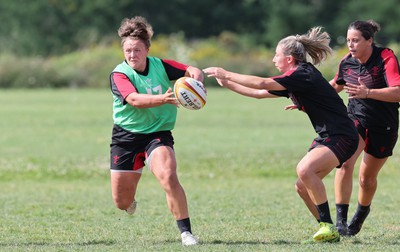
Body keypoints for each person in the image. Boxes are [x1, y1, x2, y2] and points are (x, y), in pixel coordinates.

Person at [203, 27, 359, 243]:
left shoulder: (302, 73)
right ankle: (329, 229)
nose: (273, 58)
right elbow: (259, 93)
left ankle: (326, 226)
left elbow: (262, 83)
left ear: (288, 58)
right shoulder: (295, 77)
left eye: (276, 54)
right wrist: (228, 83)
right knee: (302, 186)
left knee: (305, 169)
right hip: (329, 135)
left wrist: (226, 72)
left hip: (343, 135)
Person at [296, 20, 400, 237]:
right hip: (354, 120)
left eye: (356, 40)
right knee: (344, 163)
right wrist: (307, 101)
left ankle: (360, 216)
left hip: (384, 124)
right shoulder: (347, 62)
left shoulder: (385, 57)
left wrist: (368, 93)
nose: (350, 45)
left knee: (367, 179)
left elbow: (397, 91)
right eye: (348, 40)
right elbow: (334, 86)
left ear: (369, 40)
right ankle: (341, 222)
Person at [109, 16, 203, 246]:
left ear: (147, 49)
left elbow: (192, 70)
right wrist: (163, 99)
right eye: (128, 50)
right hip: (126, 137)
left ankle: (186, 233)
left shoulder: (160, 65)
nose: (132, 55)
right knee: (121, 202)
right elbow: (133, 99)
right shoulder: (119, 74)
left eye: (137, 50)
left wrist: (196, 83)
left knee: (169, 176)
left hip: (157, 134)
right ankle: (130, 201)